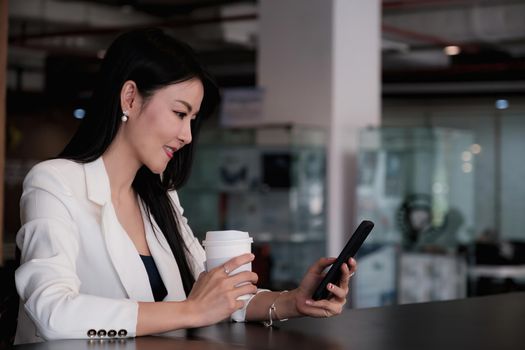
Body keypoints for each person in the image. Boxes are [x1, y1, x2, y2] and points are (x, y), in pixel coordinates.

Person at [14, 28, 357, 344]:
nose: (187, 135)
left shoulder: (158, 193)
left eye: (192, 120)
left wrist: (293, 300)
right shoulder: (55, 183)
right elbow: (52, 312)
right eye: (180, 113)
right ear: (130, 98)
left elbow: (214, 293)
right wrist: (192, 310)